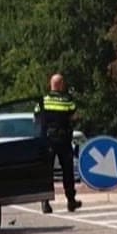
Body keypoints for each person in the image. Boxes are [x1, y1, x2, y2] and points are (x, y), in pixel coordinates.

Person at [35, 73, 81, 212]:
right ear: (61, 85)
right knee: (67, 171)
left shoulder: (42, 101)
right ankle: (71, 201)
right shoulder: (67, 100)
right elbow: (75, 116)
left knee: (47, 172)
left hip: (47, 141)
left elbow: (37, 117)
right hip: (64, 140)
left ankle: (45, 202)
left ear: (51, 85)